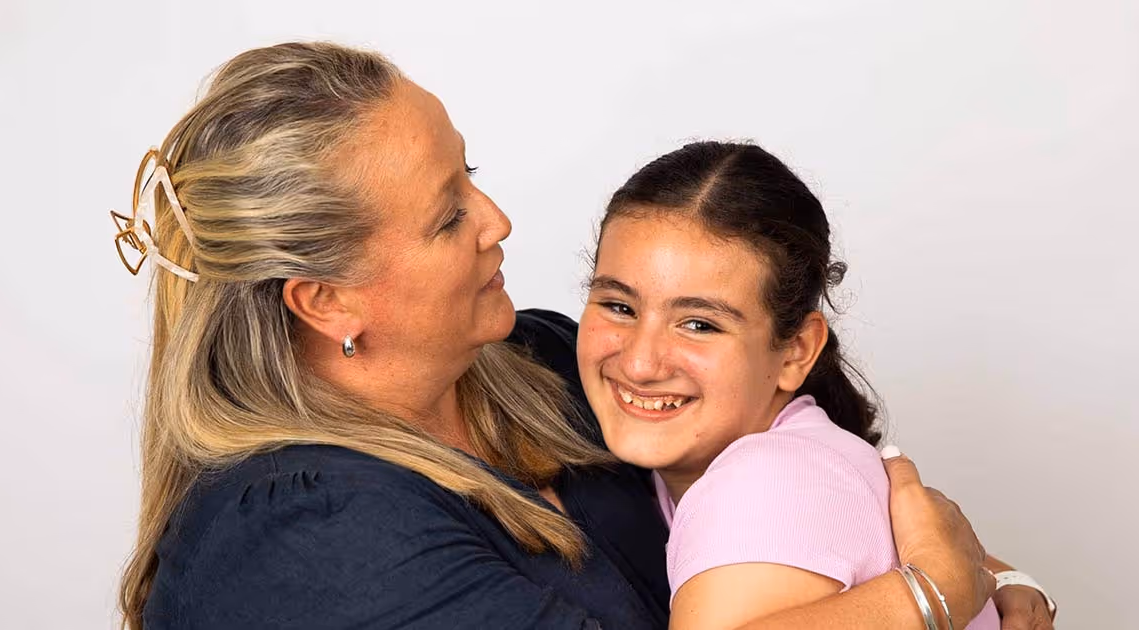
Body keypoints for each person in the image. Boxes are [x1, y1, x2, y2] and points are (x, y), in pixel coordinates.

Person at [110, 42, 1052, 629]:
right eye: (448, 215)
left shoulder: (551, 362)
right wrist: (928, 596)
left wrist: (1006, 586)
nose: (498, 220)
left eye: (471, 174)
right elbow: (915, 577)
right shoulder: (297, 534)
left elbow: (821, 512)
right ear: (326, 302)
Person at [576, 141, 1013, 628]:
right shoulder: (766, 464)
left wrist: (937, 595)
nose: (639, 364)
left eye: (700, 324)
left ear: (797, 350)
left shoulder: (767, 479)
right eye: (619, 307)